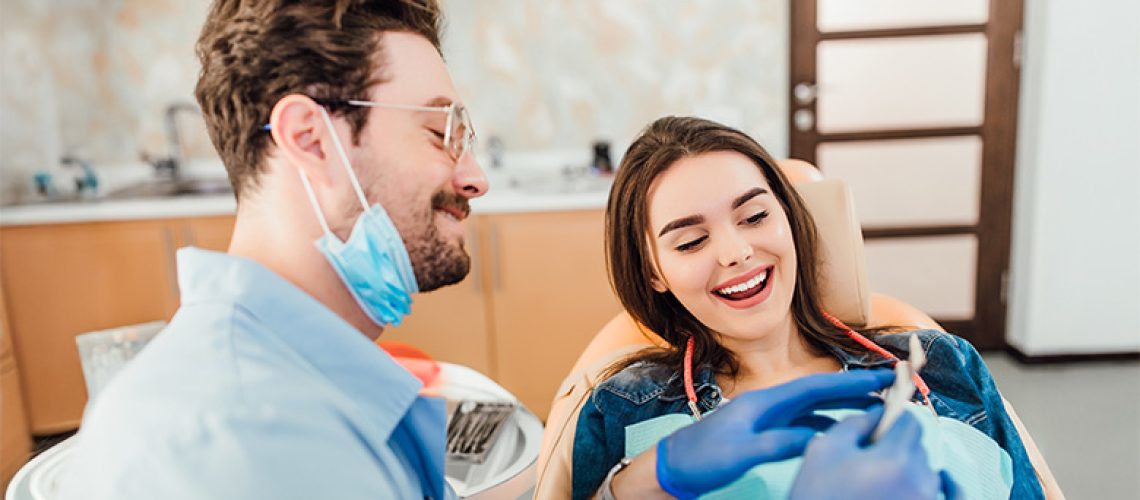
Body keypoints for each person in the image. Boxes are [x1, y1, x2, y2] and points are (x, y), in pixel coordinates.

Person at [571, 116, 1054, 499]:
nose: (735, 252)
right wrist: (636, 485)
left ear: (789, 219)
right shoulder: (622, 409)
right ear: (654, 272)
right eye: (691, 242)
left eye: (756, 216)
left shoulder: (942, 364)